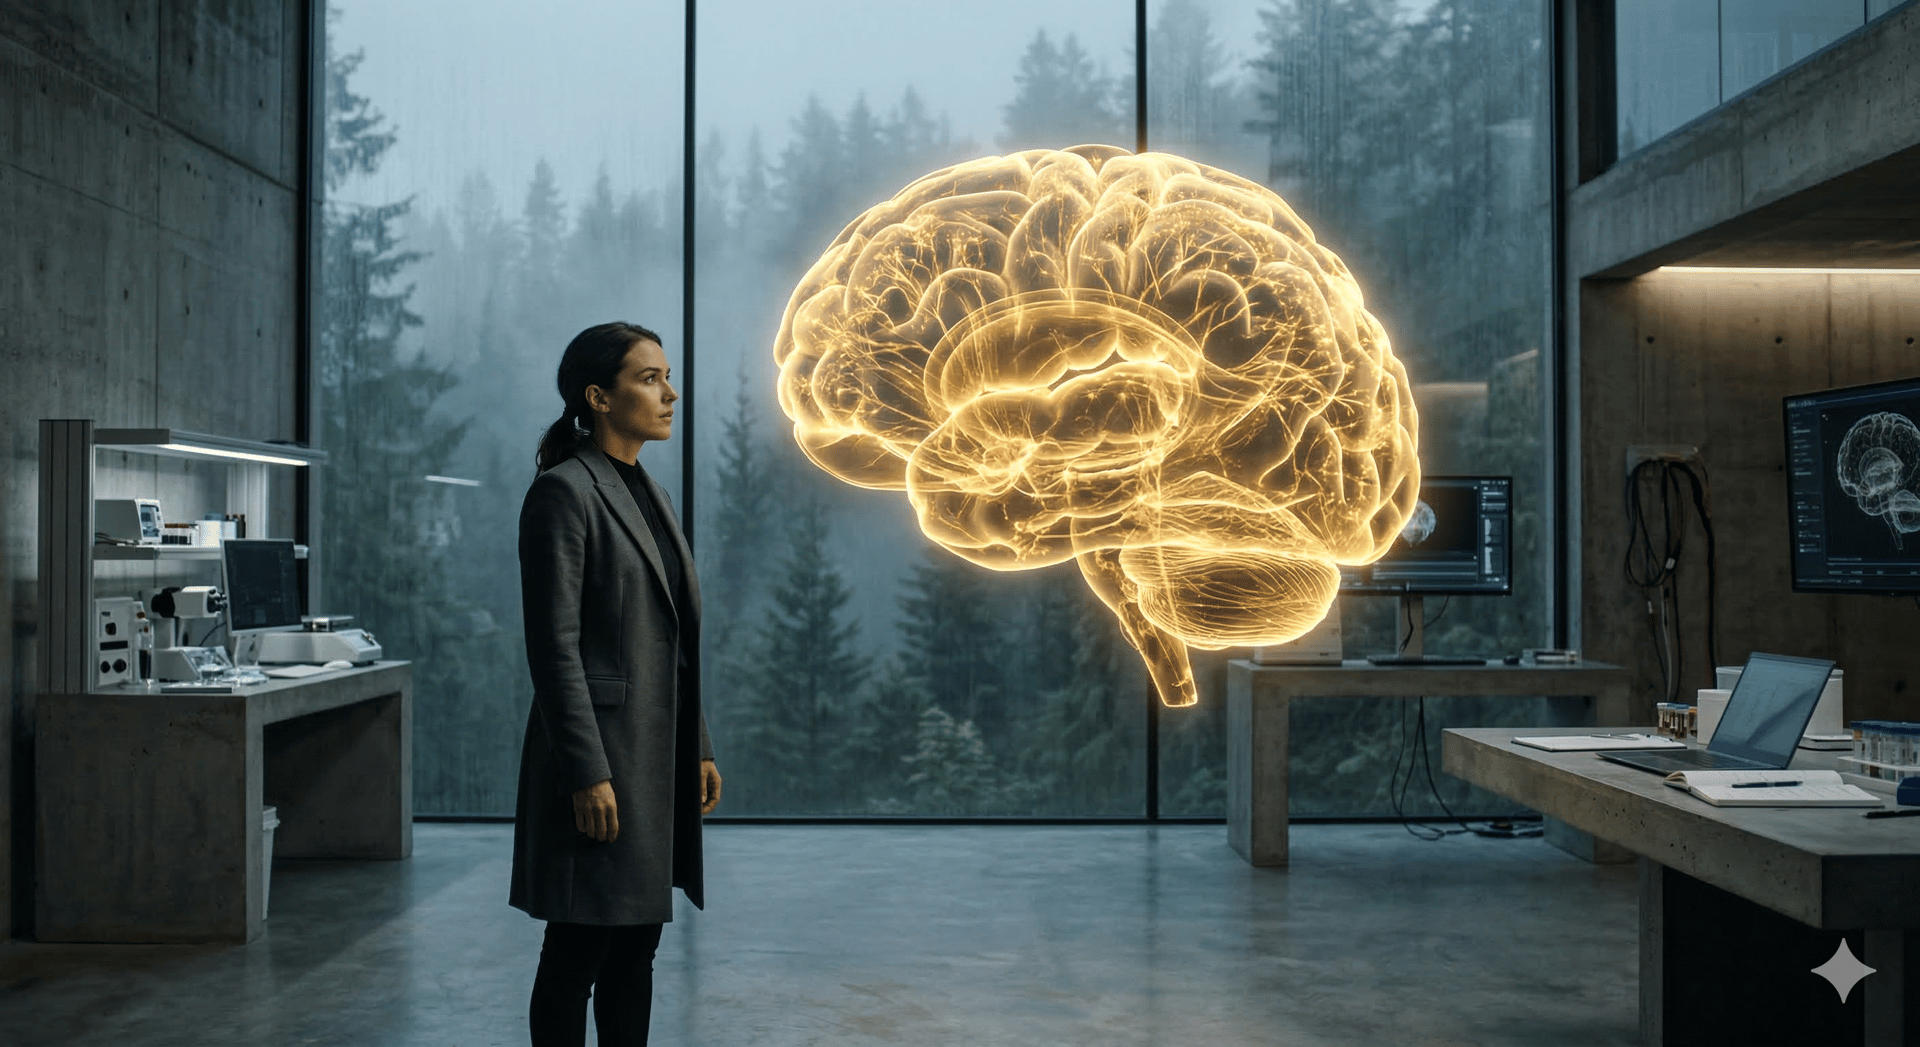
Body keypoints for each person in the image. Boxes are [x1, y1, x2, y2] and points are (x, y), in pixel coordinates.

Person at [510, 321, 723, 1047]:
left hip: (652, 760)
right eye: (648, 378)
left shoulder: (647, 493)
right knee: (578, 950)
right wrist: (586, 771)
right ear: (598, 397)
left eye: (667, 375)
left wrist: (697, 744)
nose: (669, 392)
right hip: (601, 761)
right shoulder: (564, 495)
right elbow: (554, 649)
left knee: (636, 948)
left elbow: (673, 642)